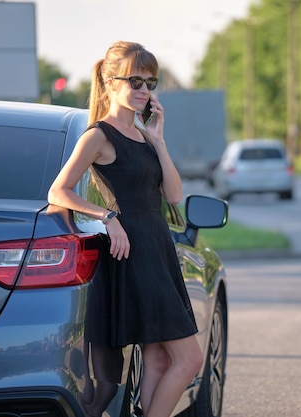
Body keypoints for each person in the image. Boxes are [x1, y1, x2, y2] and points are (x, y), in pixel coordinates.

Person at [48, 41, 203, 417]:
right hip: (134, 256)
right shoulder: (98, 136)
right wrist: (108, 217)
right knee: (190, 360)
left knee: (160, 361)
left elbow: (173, 194)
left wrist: (160, 140)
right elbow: (59, 190)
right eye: (135, 81)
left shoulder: (144, 135)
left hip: (158, 251)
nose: (144, 91)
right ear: (108, 81)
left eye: (151, 83)